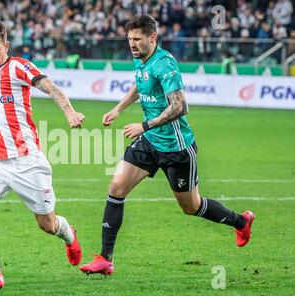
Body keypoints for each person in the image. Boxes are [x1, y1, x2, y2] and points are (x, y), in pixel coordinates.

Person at [79, 14, 255, 276]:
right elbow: (140, 86)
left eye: (137, 39)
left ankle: (241, 221)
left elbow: (180, 106)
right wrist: (118, 109)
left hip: (176, 148)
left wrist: (144, 125)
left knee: (190, 206)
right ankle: (106, 259)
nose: (132, 44)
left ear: (153, 37)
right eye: (129, 39)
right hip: (150, 142)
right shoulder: (142, 61)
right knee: (116, 187)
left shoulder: (165, 63)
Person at [0, 19, 85, 290]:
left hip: (27, 162)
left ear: (6, 45)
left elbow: (51, 88)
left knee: (47, 223)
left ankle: (70, 236)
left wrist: (69, 111)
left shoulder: (18, 67)